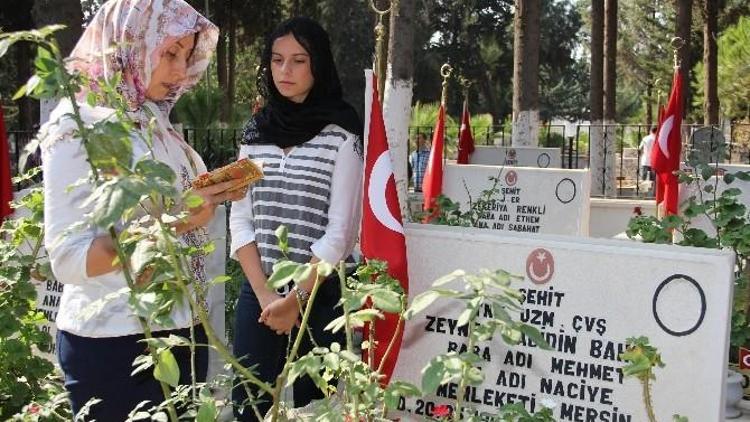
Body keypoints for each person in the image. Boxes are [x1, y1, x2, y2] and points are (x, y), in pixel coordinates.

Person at [39, 1, 237, 419]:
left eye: (186, 54)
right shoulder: (78, 124)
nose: (181, 71)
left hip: (183, 332)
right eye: (169, 52)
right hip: (116, 345)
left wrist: (207, 193)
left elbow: (173, 206)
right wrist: (178, 220)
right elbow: (69, 258)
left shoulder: (153, 120)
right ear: (128, 40)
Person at [229, 17, 363, 421]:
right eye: (276, 60)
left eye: (298, 61)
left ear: (317, 65)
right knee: (249, 403)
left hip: (319, 297)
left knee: (314, 408)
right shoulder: (255, 134)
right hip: (260, 293)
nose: (284, 71)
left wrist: (296, 300)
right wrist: (268, 296)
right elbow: (241, 219)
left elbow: (339, 231)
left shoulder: (343, 134)